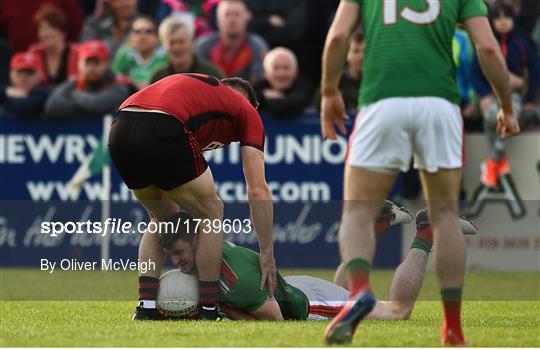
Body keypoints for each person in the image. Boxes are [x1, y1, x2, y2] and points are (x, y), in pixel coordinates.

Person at [320, 0, 519, 346]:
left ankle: (360, 290)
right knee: (445, 215)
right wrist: (506, 106)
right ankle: (453, 326)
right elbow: (487, 46)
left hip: (382, 100)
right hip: (439, 105)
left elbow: (338, 37)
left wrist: (328, 93)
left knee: (357, 210)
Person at [108, 73, 277, 320]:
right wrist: (267, 253)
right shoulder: (247, 110)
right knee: (211, 212)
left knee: (161, 218)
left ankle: (145, 308)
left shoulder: (203, 95)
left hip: (120, 128)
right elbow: (257, 189)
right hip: (163, 124)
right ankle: (209, 309)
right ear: (254, 106)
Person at [157, 206, 478, 321]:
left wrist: (224, 312)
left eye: (179, 253)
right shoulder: (204, 255)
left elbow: (275, 320)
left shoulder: (235, 278)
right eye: (171, 255)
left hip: (306, 305)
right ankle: (377, 225)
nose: (176, 261)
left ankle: (425, 230)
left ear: (199, 239)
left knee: (397, 311)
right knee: (340, 290)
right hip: (294, 285)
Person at [471, 3, 540, 187]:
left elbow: (535, 71)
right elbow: (474, 72)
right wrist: (484, 94)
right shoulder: (485, 44)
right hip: (490, 97)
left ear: (514, 19)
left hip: (513, 96)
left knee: (510, 118)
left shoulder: (522, 43)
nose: (502, 22)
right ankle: (499, 161)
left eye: (506, 17)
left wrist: (530, 99)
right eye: (497, 18)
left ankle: (493, 161)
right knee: (491, 117)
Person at [44, 40, 132, 119]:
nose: (92, 68)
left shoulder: (118, 85)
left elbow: (98, 104)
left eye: (97, 63)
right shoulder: (73, 84)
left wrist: (74, 95)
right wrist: (87, 109)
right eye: (88, 63)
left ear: (106, 64)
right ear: (79, 64)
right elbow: (52, 106)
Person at [196, 0, 268, 83]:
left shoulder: (257, 46)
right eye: (227, 15)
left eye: (237, 15)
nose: (232, 20)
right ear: (218, 20)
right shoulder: (203, 46)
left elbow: (259, 82)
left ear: (246, 19)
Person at [150, 14, 223, 84]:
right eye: (172, 43)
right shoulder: (158, 78)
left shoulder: (211, 76)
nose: (177, 47)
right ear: (164, 46)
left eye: (181, 42)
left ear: (192, 42)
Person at [28, 4, 80, 88]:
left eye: (51, 28)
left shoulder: (77, 52)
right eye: (42, 28)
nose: (45, 34)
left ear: (63, 32)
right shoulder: (34, 52)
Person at [253, 47, 312, 119]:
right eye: (276, 68)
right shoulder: (257, 87)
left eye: (286, 67)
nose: (281, 74)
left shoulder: (304, 87)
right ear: (265, 72)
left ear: (296, 71)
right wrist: (264, 95)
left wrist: (264, 98)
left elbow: (281, 107)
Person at [315, 31, 364, 114]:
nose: (361, 56)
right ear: (347, 54)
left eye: (366, 51)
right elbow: (319, 104)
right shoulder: (335, 80)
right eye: (356, 51)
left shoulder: (379, 79)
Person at [112, 15, 168, 89]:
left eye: (148, 31)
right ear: (131, 37)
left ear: (157, 37)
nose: (142, 36)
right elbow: (115, 79)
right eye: (137, 32)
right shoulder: (125, 54)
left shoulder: (165, 55)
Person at [0, 52, 49, 117]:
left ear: (40, 75)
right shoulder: (6, 88)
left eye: (29, 72)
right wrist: (6, 91)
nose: (24, 77)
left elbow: (23, 106)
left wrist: (4, 97)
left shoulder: (44, 92)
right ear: (11, 74)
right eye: (19, 72)